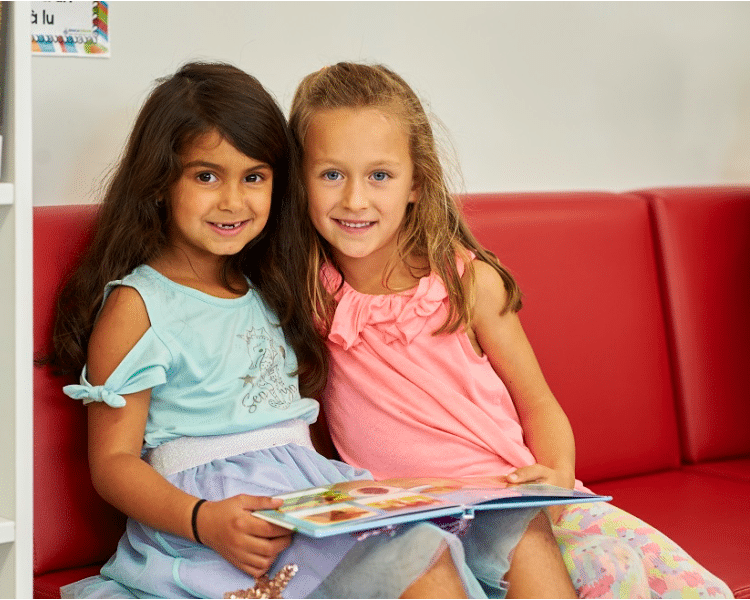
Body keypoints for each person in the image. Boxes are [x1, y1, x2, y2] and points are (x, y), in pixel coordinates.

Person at [43, 61, 557, 600]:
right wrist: (204, 520)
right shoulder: (138, 305)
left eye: (254, 177)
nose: (232, 201)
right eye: (206, 176)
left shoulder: (274, 285)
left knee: (429, 558)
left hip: (310, 492)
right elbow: (113, 464)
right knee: (416, 570)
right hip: (216, 518)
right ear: (158, 181)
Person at [288, 61, 734, 599]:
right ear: (300, 181)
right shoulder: (308, 293)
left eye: (379, 175)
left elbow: (538, 403)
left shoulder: (466, 283)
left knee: (589, 565)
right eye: (331, 174)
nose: (355, 200)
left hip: (505, 501)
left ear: (416, 184)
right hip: (404, 521)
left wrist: (556, 474)